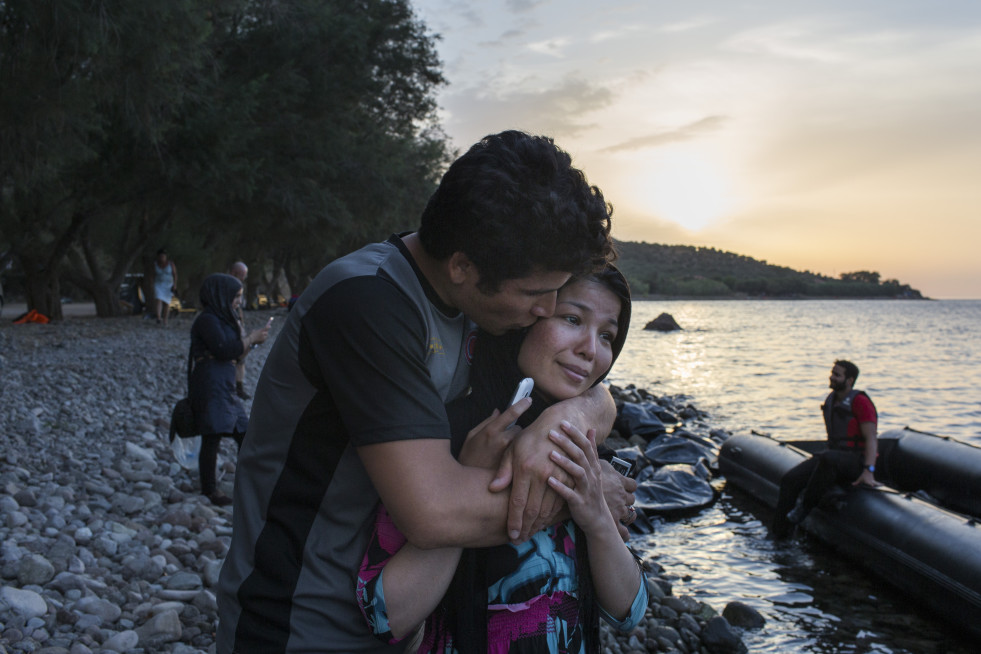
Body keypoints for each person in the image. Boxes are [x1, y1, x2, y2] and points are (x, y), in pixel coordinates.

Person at [216, 130, 617, 653]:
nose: (544, 310)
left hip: (405, 623)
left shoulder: (485, 302)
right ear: (462, 266)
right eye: (537, 295)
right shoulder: (367, 303)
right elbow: (434, 511)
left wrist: (563, 421)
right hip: (297, 621)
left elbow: (593, 387)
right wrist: (585, 499)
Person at [357, 266, 647, 653]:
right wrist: (469, 477)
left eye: (607, 336)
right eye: (573, 319)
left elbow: (629, 610)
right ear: (525, 317)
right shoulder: (446, 437)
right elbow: (385, 613)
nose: (590, 350)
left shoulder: (589, 453)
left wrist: (596, 519)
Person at [188, 274, 270, 506]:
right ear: (221, 295)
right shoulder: (207, 320)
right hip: (210, 383)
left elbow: (236, 353)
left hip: (225, 383)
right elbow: (224, 349)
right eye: (235, 297)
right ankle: (210, 490)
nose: (238, 302)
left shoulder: (225, 318)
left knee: (243, 432)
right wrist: (250, 338)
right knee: (212, 435)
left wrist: (253, 341)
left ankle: (252, 483)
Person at [773, 359, 879, 535]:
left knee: (828, 459)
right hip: (834, 457)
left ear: (849, 380)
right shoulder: (832, 399)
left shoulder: (860, 402)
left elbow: (871, 438)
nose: (832, 377)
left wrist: (869, 470)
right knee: (791, 479)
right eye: (832, 373)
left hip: (855, 461)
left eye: (837, 375)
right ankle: (779, 532)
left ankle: (804, 509)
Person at [228, 261, 253, 400]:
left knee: (242, 358)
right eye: (242, 275)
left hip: (237, 322)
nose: (243, 278)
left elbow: (239, 308)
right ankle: (234, 387)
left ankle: (239, 387)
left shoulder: (238, 286)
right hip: (231, 324)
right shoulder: (227, 286)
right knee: (236, 356)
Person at [152, 248, 177, 325]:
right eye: (160, 256)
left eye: (163, 256)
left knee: (166, 302)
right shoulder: (155, 264)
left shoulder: (171, 264)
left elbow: (175, 274)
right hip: (158, 284)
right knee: (158, 298)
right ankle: (158, 317)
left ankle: (165, 319)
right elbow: (152, 275)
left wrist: (175, 284)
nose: (162, 258)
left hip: (168, 285)